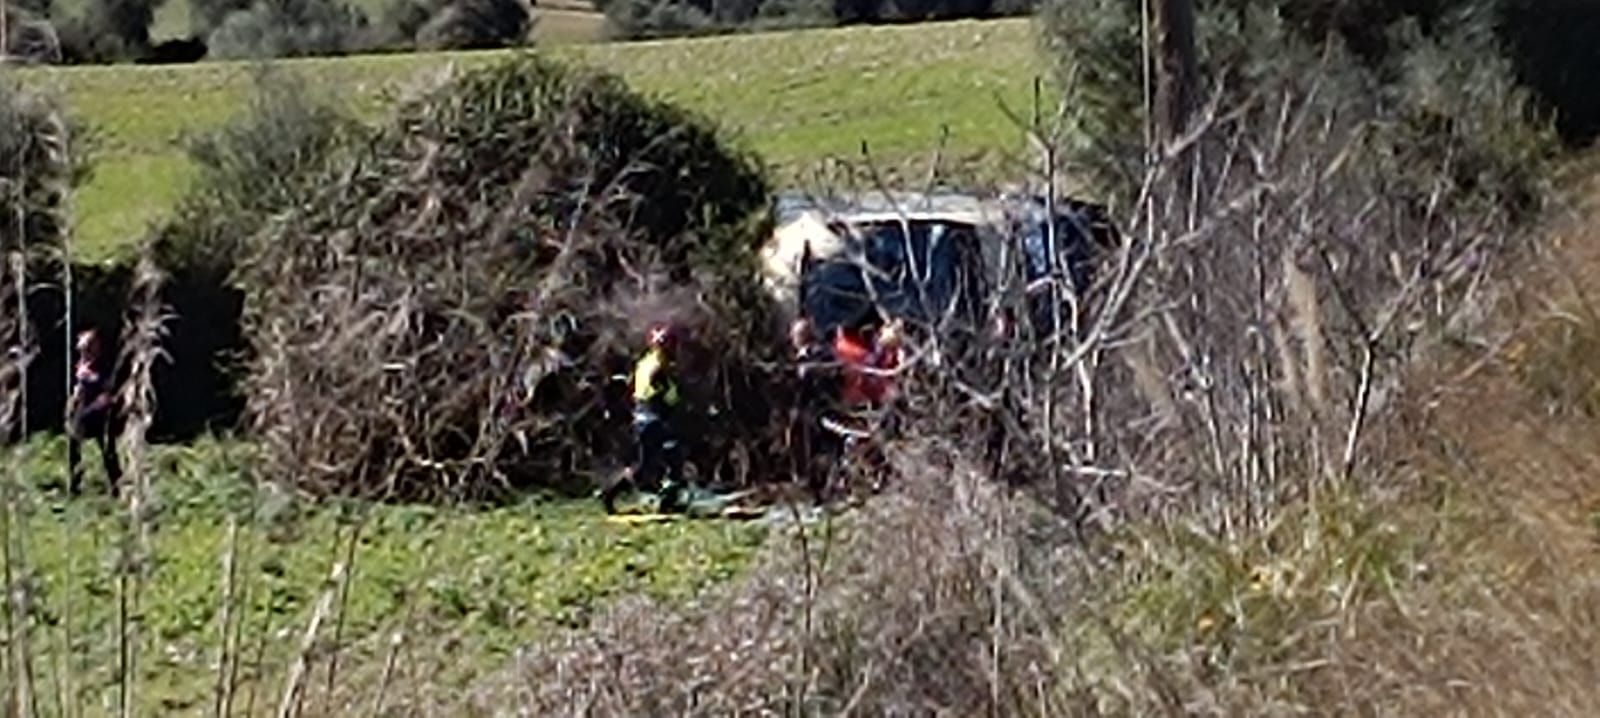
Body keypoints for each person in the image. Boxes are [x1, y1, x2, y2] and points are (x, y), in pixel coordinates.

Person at [602, 322, 689, 514]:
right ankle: (665, 500)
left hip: (643, 415)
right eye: (673, 345)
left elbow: (632, 387)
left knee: (647, 464)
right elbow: (657, 390)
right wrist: (669, 400)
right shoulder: (659, 365)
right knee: (672, 454)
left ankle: (613, 493)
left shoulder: (645, 361)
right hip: (654, 416)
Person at [67, 329, 122, 497]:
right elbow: (78, 389)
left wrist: (91, 378)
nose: (85, 353)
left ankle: (116, 485)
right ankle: (75, 484)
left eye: (88, 348)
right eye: (83, 349)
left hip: (100, 412)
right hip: (83, 410)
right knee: (74, 446)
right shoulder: (81, 365)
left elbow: (108, 388)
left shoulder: (103, 365)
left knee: (107, 450)